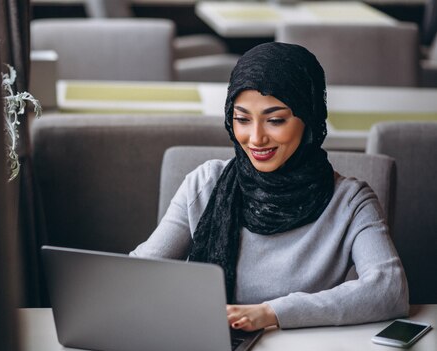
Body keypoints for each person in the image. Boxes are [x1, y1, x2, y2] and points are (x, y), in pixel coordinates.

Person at [130, 42, 409, 332]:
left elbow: (389, 290)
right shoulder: (205, 183)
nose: (256, 138)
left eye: (275, 120)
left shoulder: (351, 202)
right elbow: (140, 272)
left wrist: (271, 313)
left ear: (309, 118)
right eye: (241, 119)